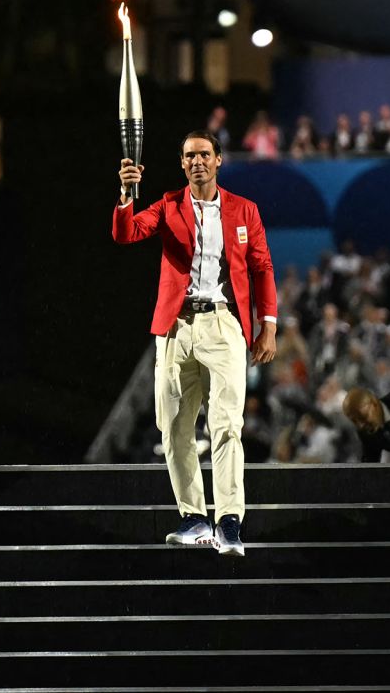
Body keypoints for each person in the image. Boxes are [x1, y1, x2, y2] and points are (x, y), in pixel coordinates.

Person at [114, 130, 278, 557]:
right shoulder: (169, 205)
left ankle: (229, 522)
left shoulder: (245, 210)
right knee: (173, 427)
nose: (197, 161)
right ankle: (194, 519)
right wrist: (126, 193)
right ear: (182, 164)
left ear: (219, 160)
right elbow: (126, 233)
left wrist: (269, 325)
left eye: (205, 154)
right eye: (189, 156)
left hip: (224, 325)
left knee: (227, 426)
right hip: (176, 328)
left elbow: (261, 266)